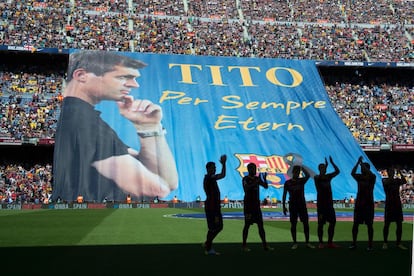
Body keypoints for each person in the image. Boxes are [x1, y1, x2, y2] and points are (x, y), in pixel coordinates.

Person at [52, 50, 178, 203]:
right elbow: (159, 188)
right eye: (123, 77)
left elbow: (169, 183)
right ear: (81, 75)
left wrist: (149, 127)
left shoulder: (82, 117)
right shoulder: (84, 122)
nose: (134, 84)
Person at [242, 162, 273, 252]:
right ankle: (244, 245)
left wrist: (265, 179)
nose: (254, 170)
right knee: (247, 225)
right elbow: (246, 189)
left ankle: (265, 245)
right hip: (248, 206)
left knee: (261, 226)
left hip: (256, 206)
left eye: (255, 168)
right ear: (248, 170)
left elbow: (266, 186)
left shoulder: (257, 179)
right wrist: (256, 182)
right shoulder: (245, 179)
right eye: (252, 169)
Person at [282, 165, 315, 249]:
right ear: (293, 172)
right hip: (293, 205)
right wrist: (283, 206)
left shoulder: (301, 180)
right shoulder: (288, 182)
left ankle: (307, 242)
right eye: (295, 171)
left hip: (302, 205)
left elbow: (307, 175)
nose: (296, 173)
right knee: (293, 224)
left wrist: (302, 168)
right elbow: (284, 195)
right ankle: (295, 243)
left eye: (298, 172)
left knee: (306, 224)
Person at [349, 156, 376, 251]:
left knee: (369, 225)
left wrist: (361, 164)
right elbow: (352, 173)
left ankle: (370, 244)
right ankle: (354, 243)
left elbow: (371, 174)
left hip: (368, 204)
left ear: (367, 169)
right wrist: (357, 163)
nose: (361, 169)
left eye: (363, 168)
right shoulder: (359, 177)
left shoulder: (372, 177)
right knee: (355, 224)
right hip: (360, 204)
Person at [314, 156, 340, 248]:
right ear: (319, 169)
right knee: (320, 224)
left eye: (324, 168)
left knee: (332, 223)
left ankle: (330, 242)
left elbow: (337, 171)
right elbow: (320, 176)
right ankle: (321, 242)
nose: (323, 169)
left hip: (329, 205)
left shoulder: (328, 176)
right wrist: (325, 167)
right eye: (321, 168)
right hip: (321, 205)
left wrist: (332, 163)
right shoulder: (317, 177)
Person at [203, 154, 227, 255]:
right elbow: (222, 175)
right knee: (216, 227)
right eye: (213, 168)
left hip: (213, 206)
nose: (214, 169)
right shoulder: (210, 177)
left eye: (215, 167)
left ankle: (207, 245)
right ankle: (208, 247)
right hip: (212, 207)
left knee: (215, 227)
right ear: (208, 169)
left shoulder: (209, 178)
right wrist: (224, 164)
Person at [382, 167, 408, 250]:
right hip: (389, 204)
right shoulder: (385, 180)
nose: (392, 172)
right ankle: (385, 242)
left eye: (393, 171)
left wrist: (399, 171)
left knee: (399, 224)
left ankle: (398, 243)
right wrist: (392, 176)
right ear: (388, 172)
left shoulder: (396, 180)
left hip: (397, 204)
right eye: (391, 171)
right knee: (387, 224)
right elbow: (387, 183)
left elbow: (404, 181)